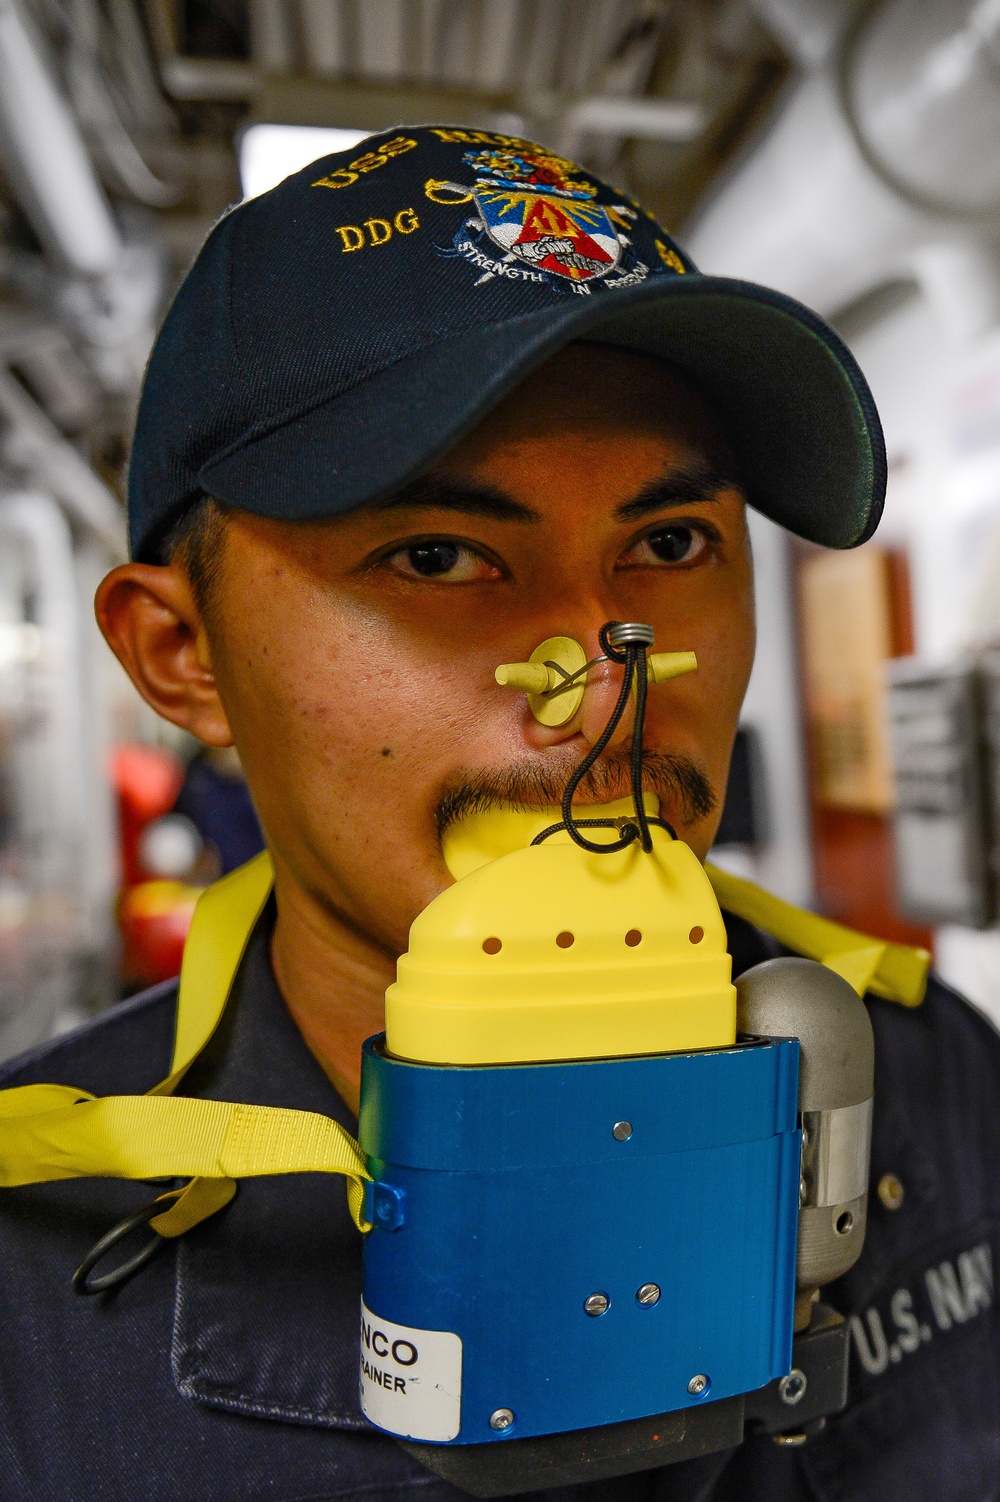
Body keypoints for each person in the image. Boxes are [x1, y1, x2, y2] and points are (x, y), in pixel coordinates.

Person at [0, 127, 997, 1502]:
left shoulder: (945, 1081)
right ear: (183, 655)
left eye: (669, 543)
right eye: (438, 555)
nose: (596, 682)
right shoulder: (35, 1272)